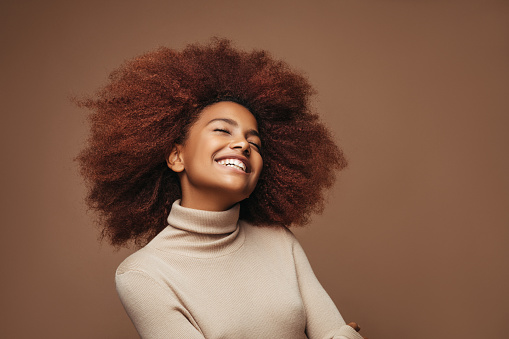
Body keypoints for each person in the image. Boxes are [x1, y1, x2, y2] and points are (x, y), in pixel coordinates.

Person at [77, 38, 366, 339]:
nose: (243, 144)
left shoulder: (278, 240)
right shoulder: (143, 275)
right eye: (222, 130)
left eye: (254, 143)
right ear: (176, 156)